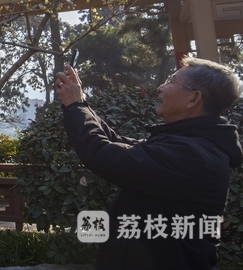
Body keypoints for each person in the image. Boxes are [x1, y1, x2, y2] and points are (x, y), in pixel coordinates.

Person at [55, 56, 243, 270]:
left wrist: (76, 105)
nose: (160, 88)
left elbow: (102, 153)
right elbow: (115, 142)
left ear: (193, 98)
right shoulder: (186, 145)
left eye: (171, 81)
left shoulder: (195, 156)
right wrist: (80, 104)